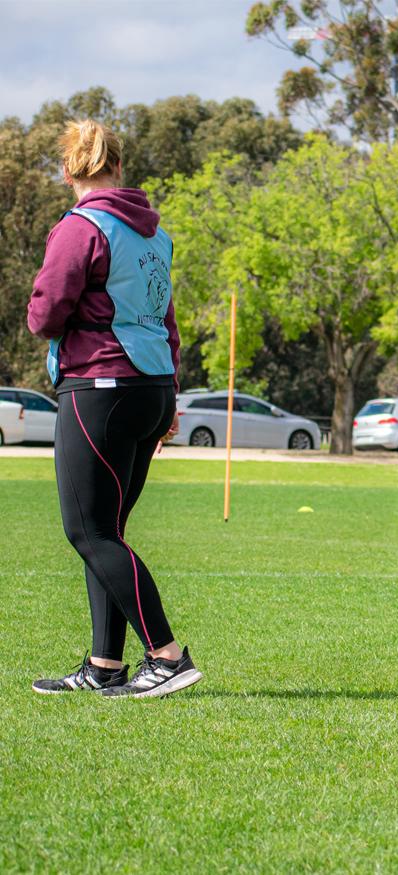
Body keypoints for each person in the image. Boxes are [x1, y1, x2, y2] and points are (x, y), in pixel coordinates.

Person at [28, 119, 202, 698]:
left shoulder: (81, 227)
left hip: (100, 385)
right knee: (109, 529)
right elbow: (166, 319)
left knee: (88, 529)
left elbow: (46, 314)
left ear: (69, 170)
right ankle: (105, 665)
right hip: (152, 386)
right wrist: (170, 391)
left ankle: (168, 656)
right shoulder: (155, 234)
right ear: (119, 166)